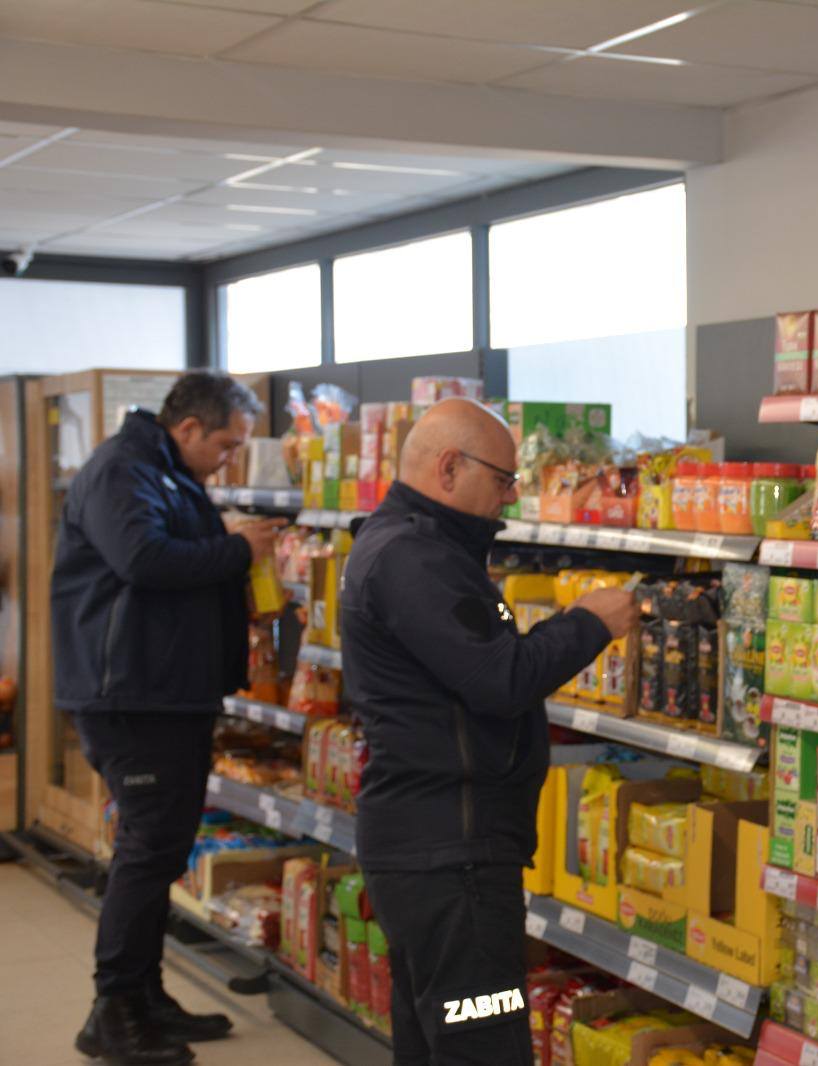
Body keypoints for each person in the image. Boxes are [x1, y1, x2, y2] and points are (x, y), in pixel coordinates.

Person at [340, 398, 638, 1066]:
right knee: (484, 1047)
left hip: (434, 847)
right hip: (451, 858)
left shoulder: (414, 547)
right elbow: (499, 679)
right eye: (504, 480)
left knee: (434, 1042)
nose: (511, 498)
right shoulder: (414, 559)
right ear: (450, 467)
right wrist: (588, 623)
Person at [52, 372, 283, 1066]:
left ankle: (145, 997)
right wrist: (239, 548)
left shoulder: (163, 472)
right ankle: (113, 1011)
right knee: (148, 850)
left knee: (162, 849)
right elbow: (143, 559)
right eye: (225, 444)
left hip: (164, 693)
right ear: (187, 429)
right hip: (131, 696)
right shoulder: (123, 470)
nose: (228, 458)